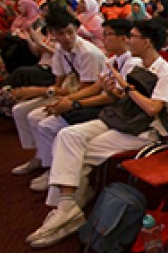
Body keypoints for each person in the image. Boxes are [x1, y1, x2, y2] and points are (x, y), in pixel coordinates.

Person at [25, 19, 168, 248]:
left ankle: (67, 206)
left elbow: (152, 109)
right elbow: (124, 100)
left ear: (147, 42)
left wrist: (126, 87)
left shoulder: (167, 73)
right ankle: (68, 205)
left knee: (77, 151)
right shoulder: (139, 64)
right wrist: (113, 90)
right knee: (68, 136)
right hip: (123, 119)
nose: (129, 40)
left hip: (144, 131)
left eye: (134, 36)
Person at [28, 19, 141, 194]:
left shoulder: (134, 63)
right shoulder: (112, 60)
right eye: (104, 35)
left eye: (108, 35)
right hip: (106, 106)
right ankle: (50, 167)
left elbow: (113, 98)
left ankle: (65, 184)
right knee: (45, 124)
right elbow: (97, 87)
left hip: (116, 112)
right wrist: (69, 99)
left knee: (62, 132)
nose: (103, 40)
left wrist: (74, 102)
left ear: (124, 38)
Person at [10, 7, 106, 176]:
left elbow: (87, 90)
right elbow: (59, 86)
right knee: (19, 110)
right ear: (52, 33)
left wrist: (39, 92)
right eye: (61, 33)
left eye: (70, 32)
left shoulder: (88, 52)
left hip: (85, 97)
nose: (67, 38)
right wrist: (46, 93)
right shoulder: (61, 50)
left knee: (37, 117)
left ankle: (50, 166)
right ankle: (40, 155)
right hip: (71, 91)